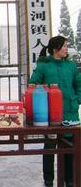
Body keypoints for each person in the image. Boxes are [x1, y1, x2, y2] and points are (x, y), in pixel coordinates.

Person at [29, 35, 81, 187]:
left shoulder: (71, 65)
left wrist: (77, 98)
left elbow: (79, 83)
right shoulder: (43, 65)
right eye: (64, 46)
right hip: (50, 114)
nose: (66, 49)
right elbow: (33, 84)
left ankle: (69, 180)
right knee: (50, 146)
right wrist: (44, 96)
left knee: (70, 148)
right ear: (55, 49)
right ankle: (49, 180)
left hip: (70, 112)